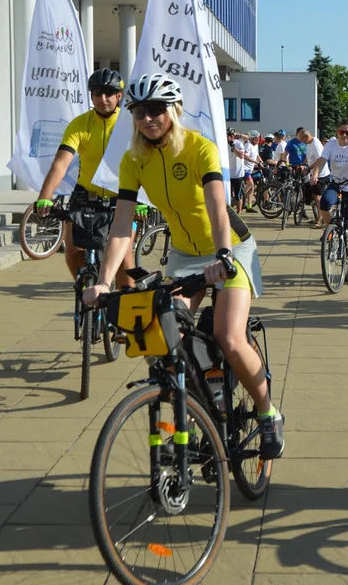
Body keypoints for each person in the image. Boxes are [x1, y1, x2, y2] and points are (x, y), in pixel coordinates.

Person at [82, 73, 283, 460]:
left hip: (231, 248)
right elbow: (122, 225)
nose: (148, 119)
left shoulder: (198, 148)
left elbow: (217, 209)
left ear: (173, 111)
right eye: (139, 111)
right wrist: (105, 281)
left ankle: (267, 413)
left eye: (157, 109)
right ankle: (191, 414)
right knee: (164, 339)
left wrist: (223, 256)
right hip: (185, 254)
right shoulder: (133, 159)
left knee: (228, 335)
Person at [34, 68, 135, 288]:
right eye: (97, 93)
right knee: (72, 251)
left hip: (122, 195)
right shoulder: (80, 124)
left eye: (109, 93)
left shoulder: (129, 124)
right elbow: (61, 163)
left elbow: (144, 162)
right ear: (91, 96)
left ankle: (124, 309)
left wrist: (144, 201)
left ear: (119, 96)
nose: (103, 99)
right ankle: (87, 290)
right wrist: (45, 197)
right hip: (85, 193)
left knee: (125, 257)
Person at [309, 120, 348, 273]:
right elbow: (322, 160)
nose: (344, 135)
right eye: (341, 132)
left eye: (347, 132)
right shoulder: (331, 144)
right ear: (337, 132)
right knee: (324, 203)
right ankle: (332, 228)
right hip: (337, 183)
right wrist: (315, 175)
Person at [301, 127, 330, 228]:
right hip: (314, 174)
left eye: (302, 140)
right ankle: (318, 216)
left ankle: (320, 221)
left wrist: (309, 168)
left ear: (307, 137)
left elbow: (319, 160)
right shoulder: (309, 143)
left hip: (321, 174)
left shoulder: (316, 144)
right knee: (313, 196)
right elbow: (308, 156)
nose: (302, 142)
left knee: (318, 198)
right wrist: (303, 164)